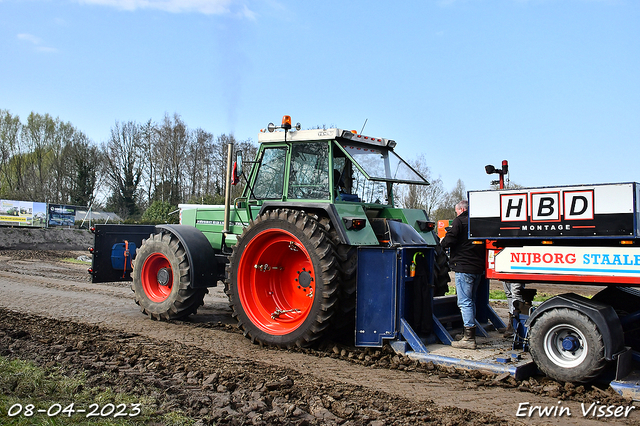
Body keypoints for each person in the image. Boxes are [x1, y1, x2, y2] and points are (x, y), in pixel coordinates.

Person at [441, 200, 485, 349]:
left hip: (463, 267)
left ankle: (469, 338)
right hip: (478, 268)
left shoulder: (459, 221)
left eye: (456, 211)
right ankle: (469, 332)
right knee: (471, 300)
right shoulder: (477, 222)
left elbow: (449, 240)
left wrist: (441, 243)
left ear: (460, 209)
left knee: (464, 302)